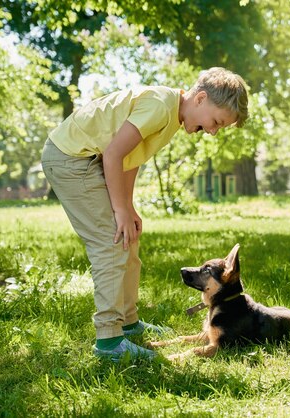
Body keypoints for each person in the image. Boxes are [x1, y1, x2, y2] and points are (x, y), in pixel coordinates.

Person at [41, 67, 249, 361]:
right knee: (110, 241)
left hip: (89, 159)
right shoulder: (161, 107)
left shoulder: (172, 117)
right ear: (200, 98)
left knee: (128, 235)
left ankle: (127, 324)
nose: (213, 131)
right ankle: (109, 343)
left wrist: (128, 206)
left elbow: (129, 158)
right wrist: (120, 209)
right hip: (70, 158)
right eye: (216, 122)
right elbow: (113, 154)